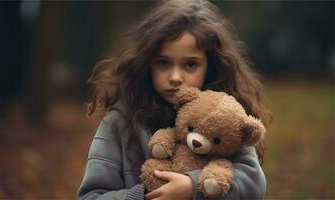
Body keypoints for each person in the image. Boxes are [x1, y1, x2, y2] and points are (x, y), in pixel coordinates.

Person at [77, 0, 271, 199]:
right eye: (163, 62)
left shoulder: (225, 116)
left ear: (210, 66)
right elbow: (90, 196)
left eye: (190, 65)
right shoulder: (120, 122)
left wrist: (192, 187)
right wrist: (149, 195)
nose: (175, 77)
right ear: (146, 63)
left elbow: (254, 183)